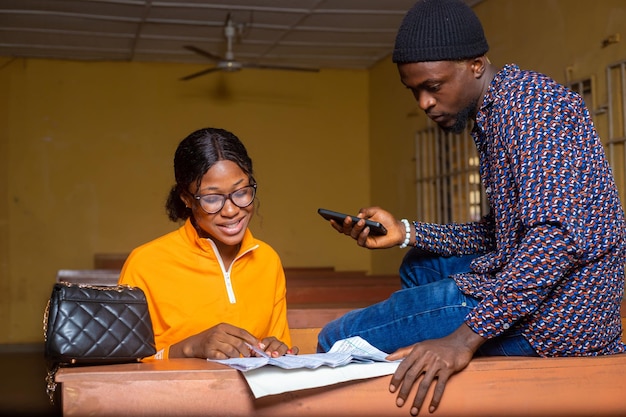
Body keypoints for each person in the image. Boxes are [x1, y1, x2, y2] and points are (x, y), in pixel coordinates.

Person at [317, 0, 626, 415]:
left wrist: (462, 339)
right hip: (555, 294)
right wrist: (406, 231)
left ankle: (437, 340)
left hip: (559, 320)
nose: (424, 102)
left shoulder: (530, 110)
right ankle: (419, 331)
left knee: (336, 338)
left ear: (476, 65)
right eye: (415, 91)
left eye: (434, 86)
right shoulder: (498, 109)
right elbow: (502, 233)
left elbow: (554, 241)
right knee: (419, 262)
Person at [119, 127, 298, 360]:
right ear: (186, 198)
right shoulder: (145, 263)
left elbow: (276, 351)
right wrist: (190, 348)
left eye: (242, 192)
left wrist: (276, 349)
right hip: (172, 396)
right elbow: (123, 367)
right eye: (212, 198)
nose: (232, 210)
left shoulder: (267, 259)